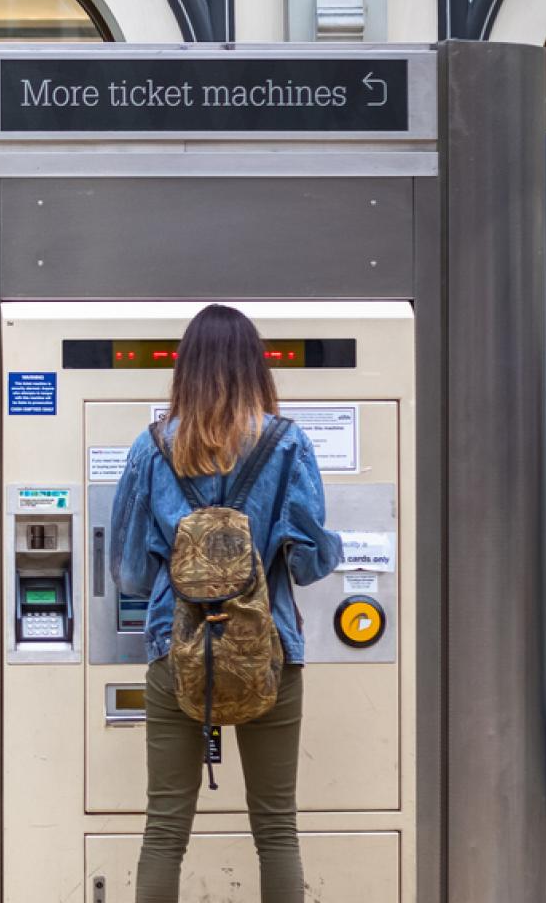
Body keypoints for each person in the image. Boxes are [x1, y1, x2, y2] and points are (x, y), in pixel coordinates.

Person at [108, 305, 343, 903]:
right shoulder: (288, 444)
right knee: (275, 827)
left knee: (164, 829)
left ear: (184, 369)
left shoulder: (151, 446)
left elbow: (131, 572)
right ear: (255, 367)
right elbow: (312, 562)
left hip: (176, 649)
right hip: (268, 649)